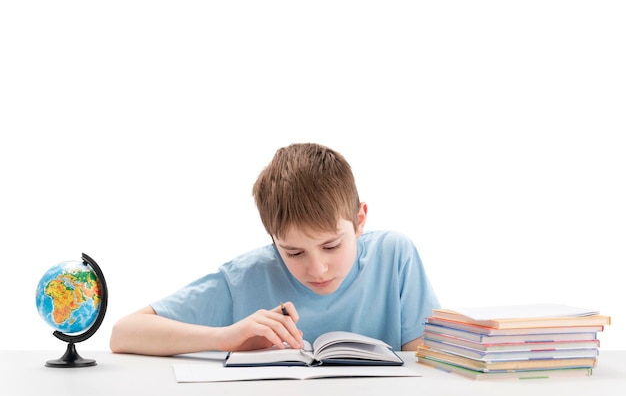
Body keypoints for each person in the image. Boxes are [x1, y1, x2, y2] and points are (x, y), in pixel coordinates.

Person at [110, 142, 440, 356]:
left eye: (331, 245)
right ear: (272, 239)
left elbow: (427, 363)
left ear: (359, 220)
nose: (318, 269)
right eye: (294, 252)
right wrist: (225, 337)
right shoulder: (246, 277)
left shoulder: (395, 256)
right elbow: (124, 334)